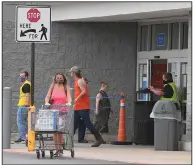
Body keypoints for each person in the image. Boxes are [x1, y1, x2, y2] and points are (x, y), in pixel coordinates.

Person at [69, 66, 104, 147]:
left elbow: (84, 91)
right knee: (73, 124)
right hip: (78, 107)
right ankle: (68, 141)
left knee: (88, 124)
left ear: (74, 73)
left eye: (71, 72)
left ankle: (99, 139)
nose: (70, 74)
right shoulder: (78, 81)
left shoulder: (80, 81)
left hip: (82, 107)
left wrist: (76, 99)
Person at [45, 73, 72, 157]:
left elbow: (69, 97)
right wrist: (46, 102)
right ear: (55, 79)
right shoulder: (52, 86)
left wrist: (69, 103)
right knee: (55, 131)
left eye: (61, 78)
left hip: (63, 111)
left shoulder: (65, 87)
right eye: (58, 78)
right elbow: (48, 96)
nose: (59, 79)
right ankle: (57, 149)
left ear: (63, 79)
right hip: (54, 111)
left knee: (60, 131)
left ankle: (59, 149)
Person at [15, 71, 31, 143]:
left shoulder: (26, 84)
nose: (21, 77)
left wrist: (27, 104)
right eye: (20, 76)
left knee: (20, 122)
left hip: (23, 105)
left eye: (22, 76)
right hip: (24, 105)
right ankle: (27, 136)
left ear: (26, 77)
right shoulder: (25, 84)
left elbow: (27, 94)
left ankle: (23, 137)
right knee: (24, 122)